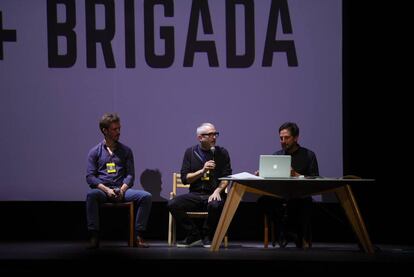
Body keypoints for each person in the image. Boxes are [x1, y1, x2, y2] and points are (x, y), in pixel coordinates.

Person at [85, 113, 152, 249]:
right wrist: (107, 190)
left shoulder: (126, 151)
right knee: (91, 195)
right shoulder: (95, 152)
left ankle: (137, 236)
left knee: (146, 197)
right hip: (103, 190)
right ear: (105, 131)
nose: (118, 132)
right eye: (114, 129)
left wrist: (122, 190)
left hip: (122, 190)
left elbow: (130, 175)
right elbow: (90, 177)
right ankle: (94, 236)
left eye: (119, 129)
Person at [167, 123, 232, 248]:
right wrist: (202, 171)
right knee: (172, 204)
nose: (214, 137)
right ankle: (193, 234)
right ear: (200, 138)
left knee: (215, 204)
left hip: (213, 193)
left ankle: (207, 235)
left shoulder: (222, 153)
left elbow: (226, 177)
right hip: (196, 194)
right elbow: (185, 178)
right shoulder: (190, 152)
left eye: (215, 134)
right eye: (210, 135)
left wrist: (217, 191)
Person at [257, 122, 319, 249]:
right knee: (263, 201)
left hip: (300, 195)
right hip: (280, 195)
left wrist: (297, 175)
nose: (283, 141)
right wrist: (262, 173)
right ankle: (289, 233)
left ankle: (294, 235)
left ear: (296, 138)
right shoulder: (277, 155)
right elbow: (271, 179)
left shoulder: (308, 155)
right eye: (281, 138)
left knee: (302, 204)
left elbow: (315, 178)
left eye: (286, 138)